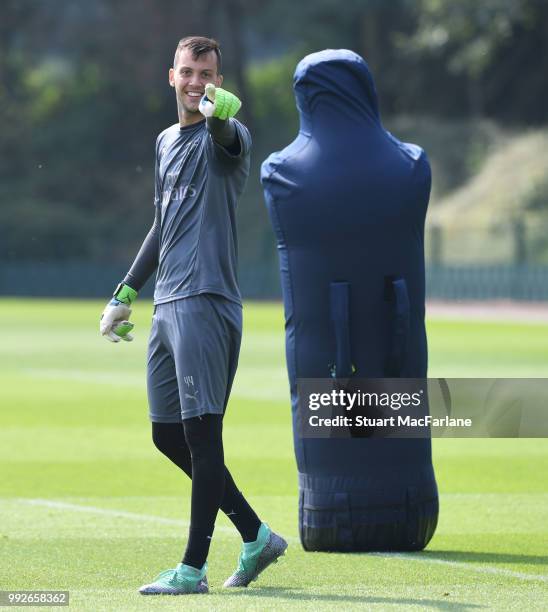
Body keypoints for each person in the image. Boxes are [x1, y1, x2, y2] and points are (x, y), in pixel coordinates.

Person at [99, 36, 287, 596]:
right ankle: (255, 535)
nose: (197, 82)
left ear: (220, 82)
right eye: (188, 71)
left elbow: (227, 138)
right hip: (168, 304)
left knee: (205, 440)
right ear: (171, 76)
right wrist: (125, 292)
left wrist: (221, 120)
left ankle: (192, 568)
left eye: (207, 73)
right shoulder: (163, 142)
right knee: (166, 435)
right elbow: (162, 224)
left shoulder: (227, 133)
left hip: (207, 301)